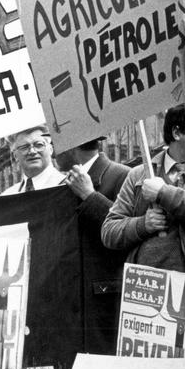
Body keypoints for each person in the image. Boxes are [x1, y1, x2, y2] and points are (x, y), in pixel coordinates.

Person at [102, 106, 185, 273]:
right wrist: (143, 225)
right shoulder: (138, 175)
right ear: (177, 133)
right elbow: (109, 231)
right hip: (146, 286)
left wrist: (163, 193)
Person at [63, 138, 131, 353]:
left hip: (106, 302)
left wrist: (89, 196)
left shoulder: (122, 175)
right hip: (73, 302)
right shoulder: (64, 182)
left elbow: (126, 231)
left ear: (70, 145)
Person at [1, 126, 64, 194]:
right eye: (24, 147)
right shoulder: (7, 195)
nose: (32, 151)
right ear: (15, 156)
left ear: (51, 149)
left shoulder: (69, 186)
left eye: (39, 145)